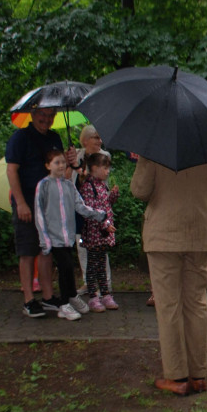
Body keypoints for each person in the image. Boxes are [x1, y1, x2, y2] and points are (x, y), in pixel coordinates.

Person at [131, 156, 207, 396]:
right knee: (196, 302)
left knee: (169, 305)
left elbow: (139, 190)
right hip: (200, 232)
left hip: (164, 234)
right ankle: (198, 375)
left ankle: (177, 376)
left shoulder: (155, 148)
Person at [5, 106, 78, 318]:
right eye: (42, 115)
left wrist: (71, 162)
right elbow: (11, 170)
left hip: (50, 203)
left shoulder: (54, 137)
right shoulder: (20, 138)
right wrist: (20, 202)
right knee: (28, 250)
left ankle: (48, 296)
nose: (46, 119)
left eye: (50, 115)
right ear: (33, 115)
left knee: (47, 249)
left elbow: (61, 172)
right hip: (27, 201)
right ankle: (29, 300)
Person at [34, 150, 109, 320]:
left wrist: (98, 214)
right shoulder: (43, 185)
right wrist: (44, 239)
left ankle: (71, 296)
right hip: (53, 236)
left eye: (63, 162)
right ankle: (63, 304)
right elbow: (39, 213)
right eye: (56, 163)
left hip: (67, 236)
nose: (61, 166)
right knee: (65, 267)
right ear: (48, 166)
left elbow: (80, 206)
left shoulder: (68, 185)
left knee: (68, 267)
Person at [75, 124, 113, 296]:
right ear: (85, 140)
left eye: (100, 137)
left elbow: (102, 182)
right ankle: (88, 282)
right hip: (81, 210)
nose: (100, 141)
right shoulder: (76, 156)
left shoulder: (104, 156)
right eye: (96, 137)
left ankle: (106, 284)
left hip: (99, 211)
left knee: (100, 248)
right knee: (82, 246)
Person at [79, 152, 119, 312]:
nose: (107, 171)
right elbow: (91, 210)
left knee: (101, 265)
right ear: (94, 168)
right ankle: (93, 296)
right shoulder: (88, 187)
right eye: (105, 168)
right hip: (93, 234)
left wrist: (113, 196)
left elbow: (105, 204)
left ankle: (105, 294)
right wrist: (105, 224)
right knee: (92, 265)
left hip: (103, 234)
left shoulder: (102, 185)